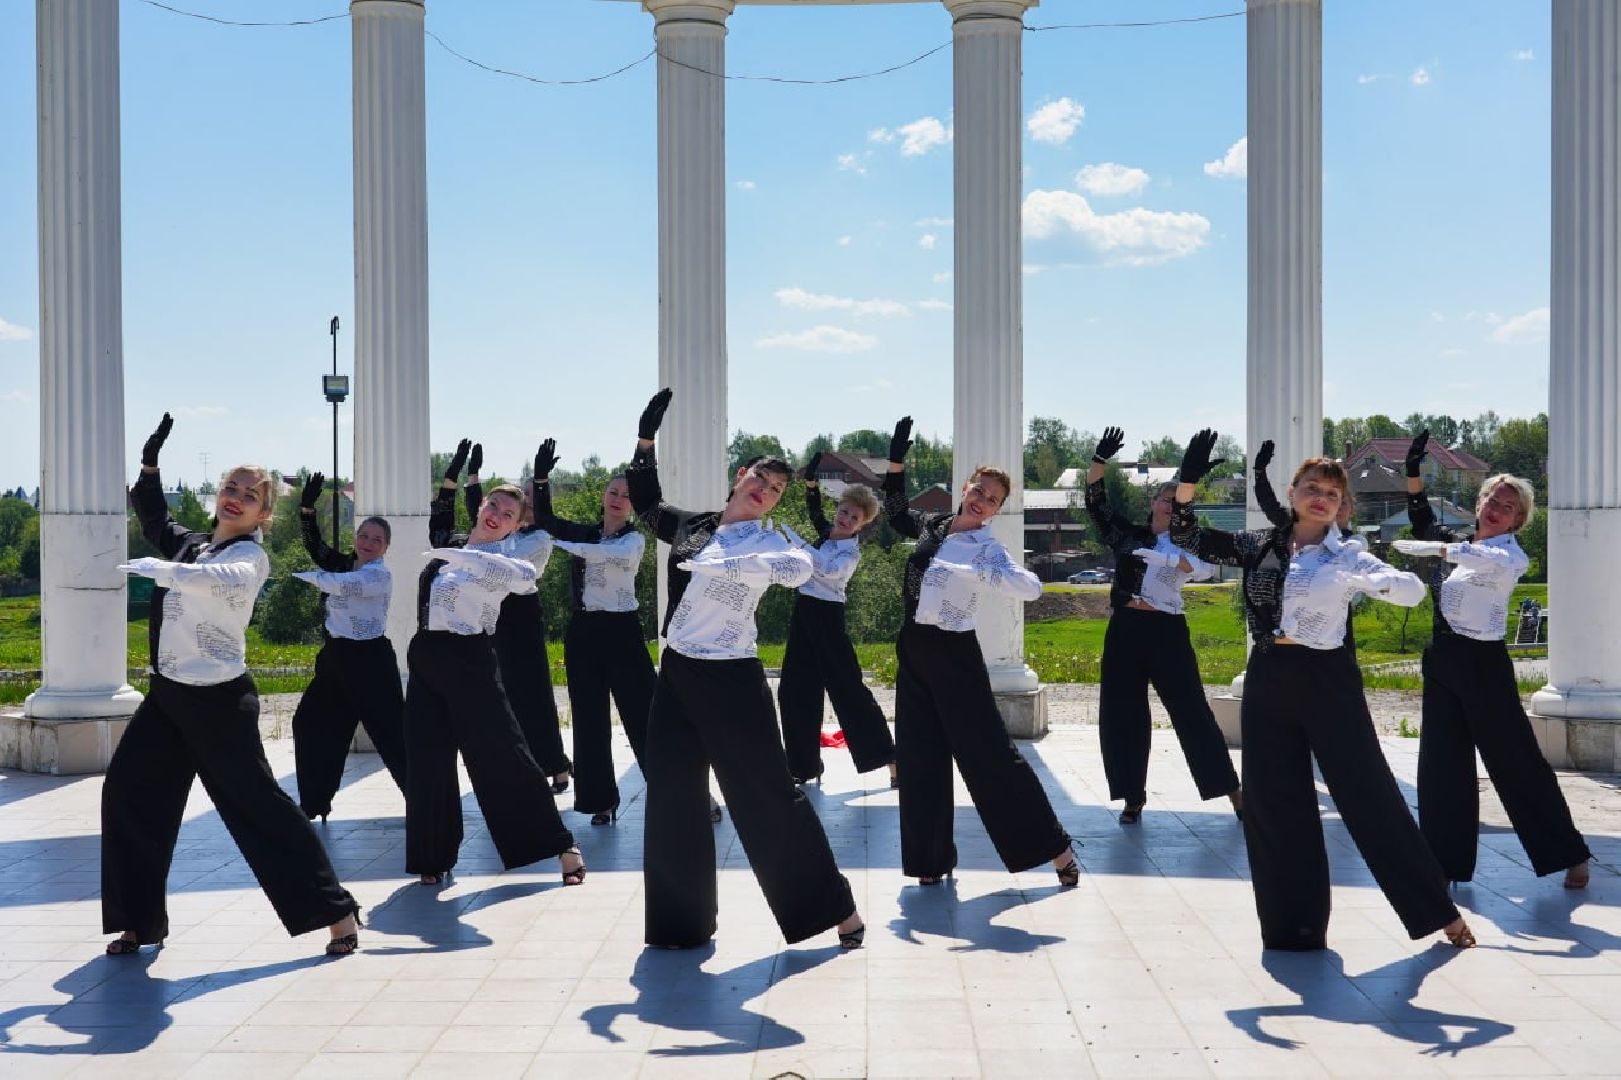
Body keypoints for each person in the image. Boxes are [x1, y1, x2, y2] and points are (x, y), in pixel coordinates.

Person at [1172, 429, 1474, 951]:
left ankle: (1439, 912)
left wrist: (1372, 581)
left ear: (1340, 507)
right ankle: (1295, 928)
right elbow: (1189, 536)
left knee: (1370, 797)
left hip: (1327, 682)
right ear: (1292, 494)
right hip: (1269, 677)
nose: (1321, 497)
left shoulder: (1349, 555)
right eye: (1312, 487)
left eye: (1332, 494)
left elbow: (1411, 590)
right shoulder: (1260, 545)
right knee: (1273, 805)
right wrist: (1188, 481)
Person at [105, 414, 362, 957]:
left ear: (264, 513)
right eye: (230, 488)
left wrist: (164, 571)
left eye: (250, 495)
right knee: (127, 794)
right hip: (168, 696)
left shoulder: (249, 558)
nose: (236, 498)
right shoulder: (191, 545)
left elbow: (216, 582)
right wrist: (150, 464)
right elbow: (155, 516)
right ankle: (139, 921)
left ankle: (337, 911)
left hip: (220, 702)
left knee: (260, 809)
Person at [629, 388, 865, 950]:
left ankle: (836, 908)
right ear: (741, 476)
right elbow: (645, 506)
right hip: (679, 674)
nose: (767, 491)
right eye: (761, 479)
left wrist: (742, 562)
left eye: (778, 490)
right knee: (671, 793)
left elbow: (797, 567)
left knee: (766, 795)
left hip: (733, 679)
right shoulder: (694, 527)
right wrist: (645, 441)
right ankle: (679, 924)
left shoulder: (771, 539)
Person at [881, 416, 1078, 889]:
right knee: (919, 755)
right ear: (966, 485)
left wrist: (994, 575)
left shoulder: (985, 548)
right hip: (914, 647)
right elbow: (894, 510)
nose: (981, 500)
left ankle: (1056, 848)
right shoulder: (937, 524)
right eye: (979, 490)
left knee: (989, 756)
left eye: (992, 500)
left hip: (954, 655)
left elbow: (1029, 587)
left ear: (996, 511)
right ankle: (929, 862)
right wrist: (896, 460)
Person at [1393, 431, 1592, 889]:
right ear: (1481, 501)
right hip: (1443, 660)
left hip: (1484, 667)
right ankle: (1445, 865)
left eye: (1506, 506)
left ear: (1517, 519)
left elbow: (1467, 555)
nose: (1495, 508)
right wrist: (1412, 472)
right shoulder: (1458, 541)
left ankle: (1569, 852)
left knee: (1515, 761)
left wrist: (1438, 550)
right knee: (1442, 765)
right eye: (1491, 499)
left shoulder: (1509, 556)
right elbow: (1424, 520)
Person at [406, 449, 584, 887]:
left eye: (508, 514)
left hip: (470, 661)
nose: (497, 516)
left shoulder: (508, 563)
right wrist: (454, 478)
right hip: (426, 655)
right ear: (481, 507)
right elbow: (440, 521)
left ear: (515, 524)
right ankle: (433, 854)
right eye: (492, 506)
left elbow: (526, 578)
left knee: (503, 757)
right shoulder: (450, 549)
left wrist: (474, 555)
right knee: (428, 759)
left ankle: (561, 846)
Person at [1084, 426, 1240, 825]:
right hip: (1125, 631)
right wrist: (1099, 462)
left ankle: (1232, 790)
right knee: (1122, 714)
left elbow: (1204, 569)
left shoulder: (1190, 540)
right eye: (1165, 499)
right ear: (1153, 502)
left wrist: (1174, 559)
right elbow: (1096, 503)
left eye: (1178, 502)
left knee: (1191, 712)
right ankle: (1132, 797)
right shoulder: (1128, 535)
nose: (1171, 506)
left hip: (1167, 633)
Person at [530, 437, 656, 825]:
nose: (618, 498)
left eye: (626, 494)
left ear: (634, 504)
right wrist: (539, 480)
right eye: (613, 491)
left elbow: (609, 555)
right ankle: (600, 800)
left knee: (646, 715)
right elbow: (547, 522)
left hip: (622, 632)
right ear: (604, 495)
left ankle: (686, 793)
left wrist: (567, 545)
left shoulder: (632, 539)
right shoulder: (585, 534)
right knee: (588, 717)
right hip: (583, 631)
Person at [286, 471, 407, 821]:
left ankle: (423, 799)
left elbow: (346, 586)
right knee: (309, 723)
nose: (368, 543)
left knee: (393, 736)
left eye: (376, 539)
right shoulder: (343, 564)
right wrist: (307, 508)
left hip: (370, 662)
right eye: (363, 535)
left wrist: (309, 579)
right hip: (335, 659)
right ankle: (314, 802)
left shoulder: (378, 575)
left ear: (386, 547)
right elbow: (316, 548)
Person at [775, 455, 896, 788]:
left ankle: (890, 757)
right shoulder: (828, 534)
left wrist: (795, 544)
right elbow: (815, 512)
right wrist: (811, 486)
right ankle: (803, 766)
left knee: (849, 692)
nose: (845, 519)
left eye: (853, 517)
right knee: (793, 691)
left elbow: (824, 568)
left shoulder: (849, 554)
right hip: (805, 615)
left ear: (861, 525)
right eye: (843, 512)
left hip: (829, 621)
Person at [460, 447, 572, 795]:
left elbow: (501, 564)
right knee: (503, 691)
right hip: (497, 613)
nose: (527, 508)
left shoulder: (538, 539)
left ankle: (555, 764)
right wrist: (473, 480)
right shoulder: (508, 534)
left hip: (521, 613)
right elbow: (481, 520)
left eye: (534, 502)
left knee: (534, 691)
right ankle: (519, 764)